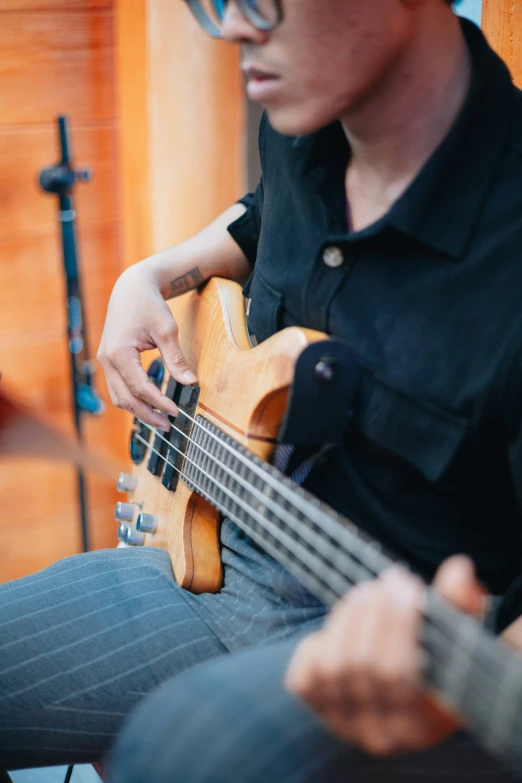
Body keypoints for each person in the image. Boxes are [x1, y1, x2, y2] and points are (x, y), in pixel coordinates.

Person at [2, 0, 522, 780]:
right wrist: (148, 273)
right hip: (221, 551)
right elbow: (265, 219)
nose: (233, 29)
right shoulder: (303, 125)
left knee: (166, 756)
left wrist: (460, 689)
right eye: (210, 1)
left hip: (378, 652)